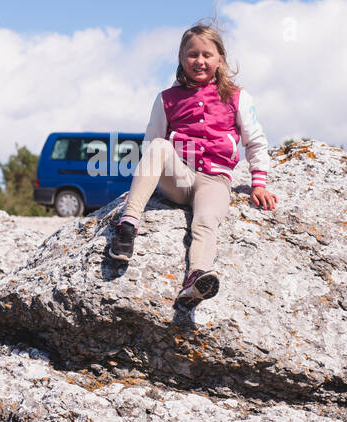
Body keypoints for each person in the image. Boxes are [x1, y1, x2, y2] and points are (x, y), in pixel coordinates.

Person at [108, 23, 278, 308]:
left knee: (205, 223)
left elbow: (256, 141)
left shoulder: (237, 97)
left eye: (207, 55)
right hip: (179, 178)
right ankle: (127, 226)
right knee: (161, 146)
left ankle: (196, 278)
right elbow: (151, 145)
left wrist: (258, 182)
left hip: (215, 181)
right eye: (192, 55)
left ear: (220, 58)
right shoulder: (167, 99)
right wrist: (140, 189)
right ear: (181, 59)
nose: (199, 61)